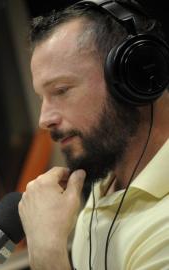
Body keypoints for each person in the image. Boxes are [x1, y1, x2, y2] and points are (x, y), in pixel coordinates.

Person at [18, 0, 169, 269]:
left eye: (61, 90)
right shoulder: (103, 187)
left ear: (135, 76)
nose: (44, 120)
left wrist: (46, 249)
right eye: (42, 97)